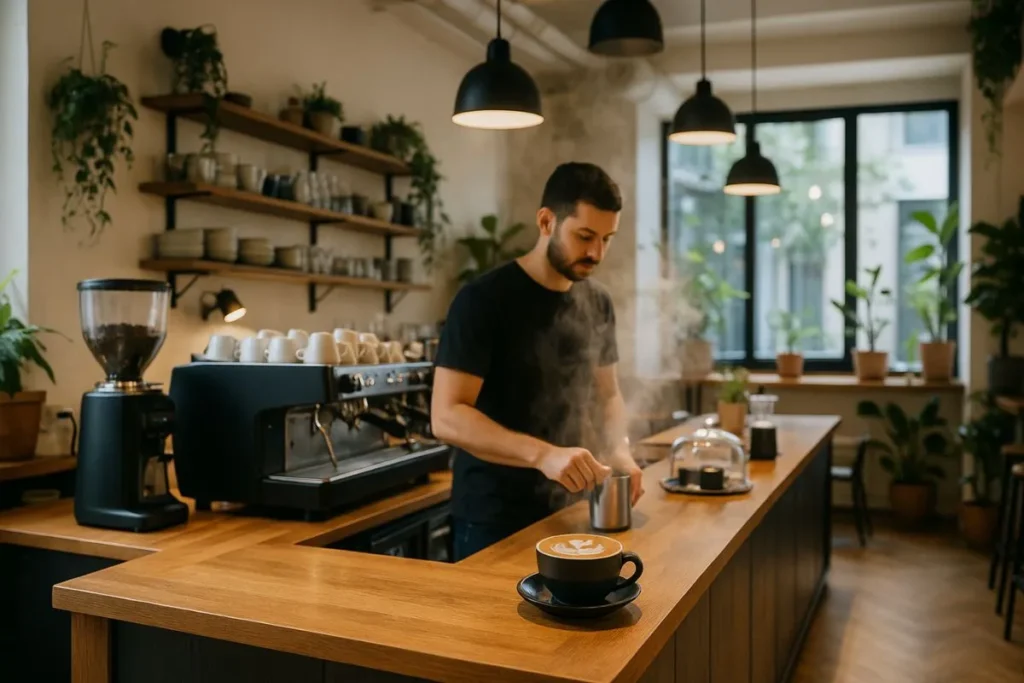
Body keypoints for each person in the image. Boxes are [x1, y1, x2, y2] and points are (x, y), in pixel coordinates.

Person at [431, 161, 645, 561]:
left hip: (572, 513)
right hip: (493, 519)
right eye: (584, 236)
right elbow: (446, 416)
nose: (596, 252)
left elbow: (608, 394)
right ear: (546, 221)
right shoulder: (483, 301)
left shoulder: (597, 303)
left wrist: (620, 448)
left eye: (607, 239)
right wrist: (544, 455)